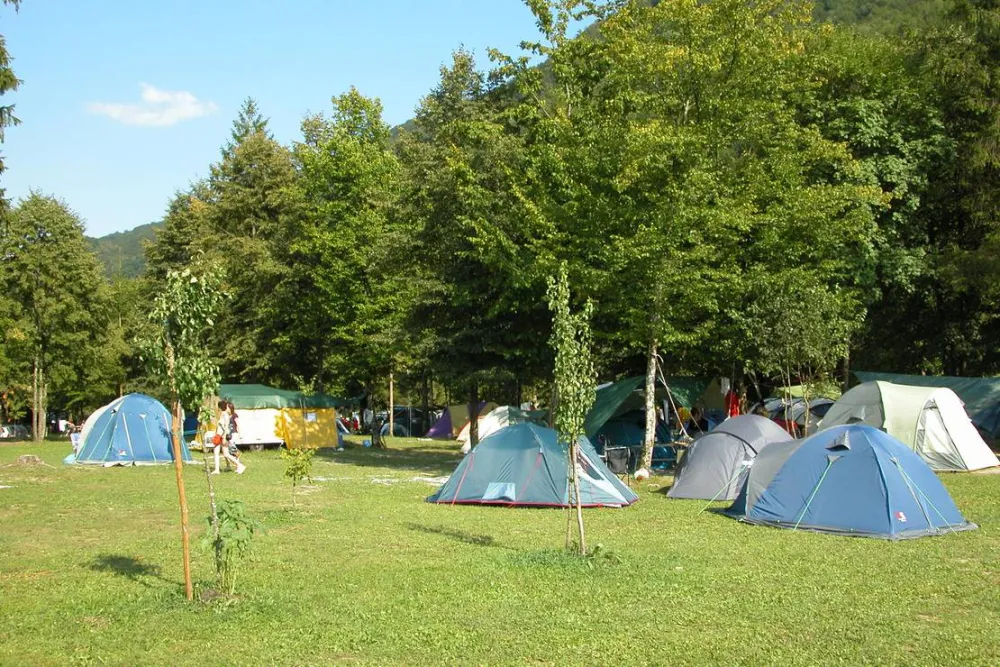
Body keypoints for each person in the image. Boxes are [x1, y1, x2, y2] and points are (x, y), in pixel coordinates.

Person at [212, 400, 244, 475]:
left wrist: (223, 437)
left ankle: (240, 465)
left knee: (226, 454)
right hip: (219, 435)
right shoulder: (223, 414)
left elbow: (226, 427)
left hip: (222, 436)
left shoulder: (225, 415)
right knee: (216, 452)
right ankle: (217, 470)